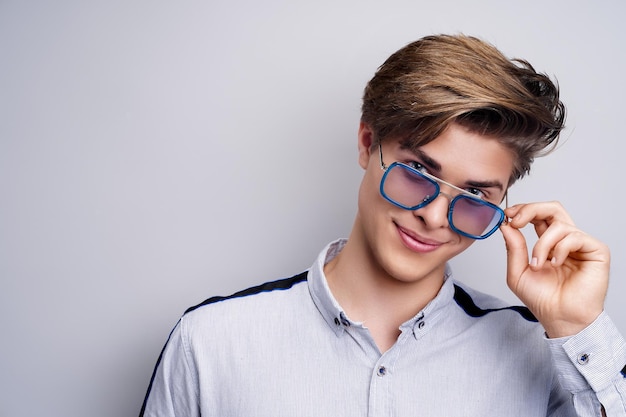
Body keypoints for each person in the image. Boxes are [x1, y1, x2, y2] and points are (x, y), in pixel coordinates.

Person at [139, 34, 626, 416]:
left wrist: (578, 327)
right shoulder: (210, 343)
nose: (435, 217)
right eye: (417, 172)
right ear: (367, 143)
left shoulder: (545, 354)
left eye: (476, 195)